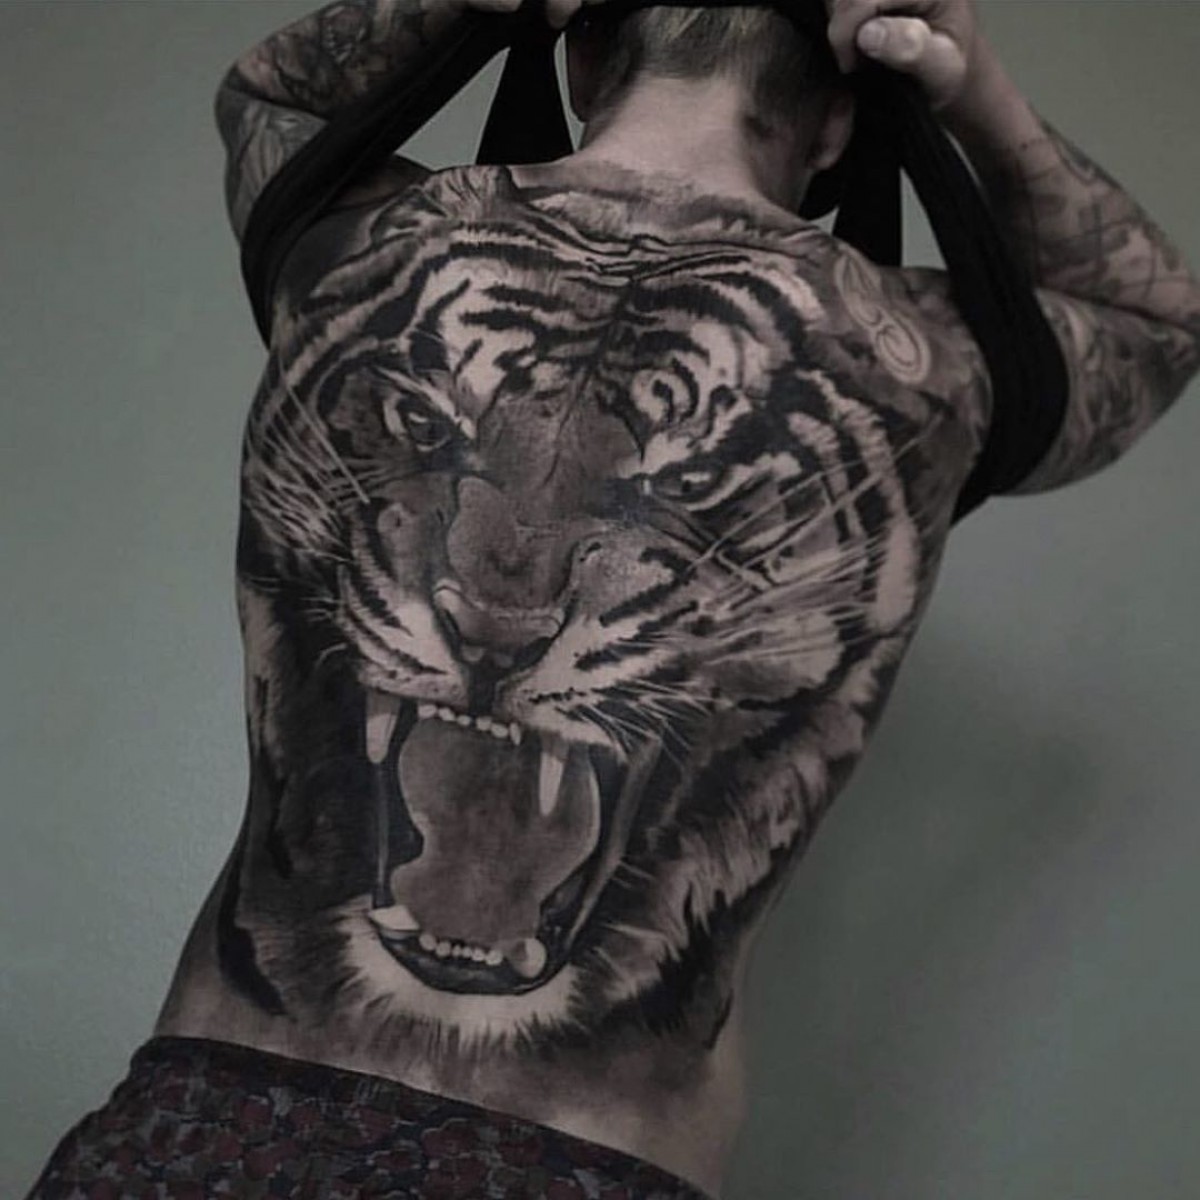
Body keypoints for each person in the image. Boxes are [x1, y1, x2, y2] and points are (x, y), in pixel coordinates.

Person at [26, 0, 1200, 1197]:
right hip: (590, 1163)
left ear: (582, 58)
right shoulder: (910, 358)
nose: (506, 605)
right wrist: (964, 78)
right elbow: (1155, 319)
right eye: (425, 418)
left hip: (197, 1132)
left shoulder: (364, 245)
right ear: (837, 121)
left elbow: (274, 98)